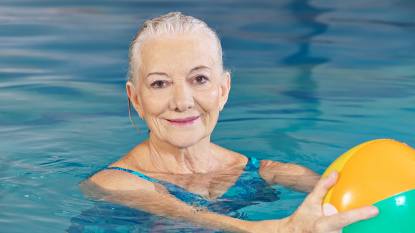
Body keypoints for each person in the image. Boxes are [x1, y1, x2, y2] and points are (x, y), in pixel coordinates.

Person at [81, 12, 378, 232]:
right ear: (136, 99)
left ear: (223, 90)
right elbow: (187, 216)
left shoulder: (261, 171)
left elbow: (342, 191)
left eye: (199, 79)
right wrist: (278, 229)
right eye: (159, 84)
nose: (182, 102)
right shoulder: (114, 183)